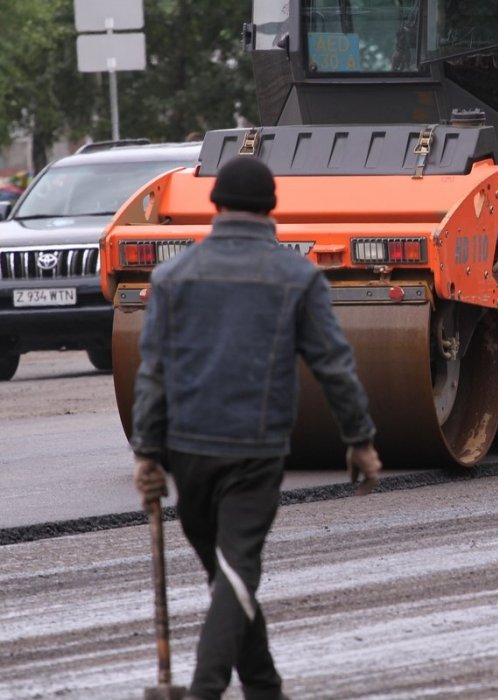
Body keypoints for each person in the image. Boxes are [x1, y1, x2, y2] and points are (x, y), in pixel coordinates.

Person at [131, 156, 382, 700]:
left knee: (228, 577)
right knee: (235, 575)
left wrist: (147, 452)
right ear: (272, 209)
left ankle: (264, 688)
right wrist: (359, 439)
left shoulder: (172, 276)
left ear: (215, 204)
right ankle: (205, 691)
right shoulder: (298, 277)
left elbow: (152, 370)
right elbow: (334, 364)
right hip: (255, 447)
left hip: (185, 450)